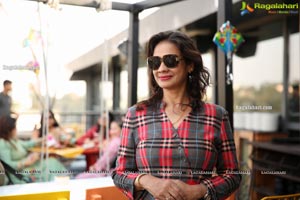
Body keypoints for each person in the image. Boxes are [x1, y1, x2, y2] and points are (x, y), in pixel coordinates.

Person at [112, 31, 241, 200]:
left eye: (170, 60)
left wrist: (200, 190)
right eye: (155, 62)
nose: (162, 68)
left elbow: (232, 175)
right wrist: (148, 181)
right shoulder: (136, 115)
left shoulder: (216, 116)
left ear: (190, 65)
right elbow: (119, 174)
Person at [0, 116, 67, 185]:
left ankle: (60, 183)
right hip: (20, 173)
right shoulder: (2, 143)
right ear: (9, 129)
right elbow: (7, 165)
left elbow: (28, 144)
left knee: (52, 161)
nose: (16, 129)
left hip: (27, 166)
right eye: (15, 127)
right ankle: (57, 185)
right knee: (51, 165)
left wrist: (42, 139)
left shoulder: (12, 140)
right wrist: (25, 162)